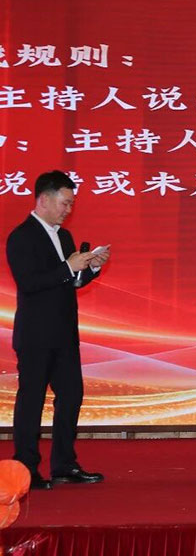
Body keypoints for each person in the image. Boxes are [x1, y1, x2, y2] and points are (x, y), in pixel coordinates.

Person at [7, 170, 109, 490]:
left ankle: (64, 464)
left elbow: (70, 282)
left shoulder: (64, 236)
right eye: (65, 203)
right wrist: (68, 267)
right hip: (36, 335)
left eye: (71, 203)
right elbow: (30, 283)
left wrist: (91, 267)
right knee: (32, 401)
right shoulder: (21, 236)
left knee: (71, 396)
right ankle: (26, 468)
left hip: (64, 334)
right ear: (44, 200)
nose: (69, 209)